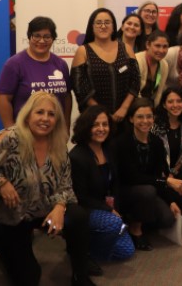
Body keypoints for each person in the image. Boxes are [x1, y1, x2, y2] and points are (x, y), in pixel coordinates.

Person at [0, 92, 94, 285]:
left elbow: (66, 184)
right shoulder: (11, 137)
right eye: (39, 112)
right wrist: (0, 181)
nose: (45, 119)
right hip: (12, 214)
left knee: (79, 216)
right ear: (28, 115)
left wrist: (60, 207)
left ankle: (80, 276)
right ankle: (0, 245)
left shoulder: (58, 143)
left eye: (51, 114)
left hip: (42, 207)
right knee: (30, 276)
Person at [115, 98, 182, 251]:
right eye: (140, 117)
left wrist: (170, 201)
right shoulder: (122, 143)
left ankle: (140, 216)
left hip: (149, 188)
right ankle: (135, 228)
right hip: (126, 190)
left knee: (168, 219)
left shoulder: (156, 142)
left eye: (149, 117)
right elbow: (131, 177)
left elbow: (158, 173)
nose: (145, 121)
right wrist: (165, 181)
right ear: (131, 119)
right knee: (148, 191)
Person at [70, 105, 135, 262]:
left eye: (105, 124)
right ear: (86, 127)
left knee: (127, 251)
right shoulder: (77, 156)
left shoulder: (109, 148)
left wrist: (114, 207)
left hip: (107, 208)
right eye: (95, 125)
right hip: (86, 209)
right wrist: (109, 211)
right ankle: (88, 256)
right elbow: (81, 196)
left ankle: (89, 243)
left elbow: (115, 183)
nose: (101, 129)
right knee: (114, 223)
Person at [0, 16, 72, 129]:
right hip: (25, 134)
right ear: (29, 37)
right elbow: (3, 99)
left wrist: (66, 126)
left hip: (55, 133)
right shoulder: (14, 64)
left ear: (53, 39)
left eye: (47, 37)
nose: (41, 41)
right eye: (37, 36)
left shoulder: (61, 64)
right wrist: (10, 130)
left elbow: (66, 97)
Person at [72, 8, 139, 125]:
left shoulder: (126, 48)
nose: (103, 26)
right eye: (98, 23)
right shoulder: (83, 51)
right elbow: (80, 88)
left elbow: (135, 81)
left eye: (107, 22)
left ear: (113, 26)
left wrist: (124, 108)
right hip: (94, 120)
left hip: (124, 117)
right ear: (91, 27)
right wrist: (103, 114)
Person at [152, 88, 182, 200]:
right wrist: (166, 175)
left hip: (176, 170)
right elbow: (153, 157)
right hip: (159, 172)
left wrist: (173, 172)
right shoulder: (155, 126)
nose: (175, 105)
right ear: (164, 105)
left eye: (179, 101)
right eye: (170, 102)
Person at [136, 30, 170, 106]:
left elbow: (159, 93)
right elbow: (134, 92)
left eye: (165, 47)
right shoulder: (137, 61)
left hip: (150, 106)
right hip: (135, 104)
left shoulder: (164, 65)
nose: (161, 50)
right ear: (148, 45)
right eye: (157, 46)